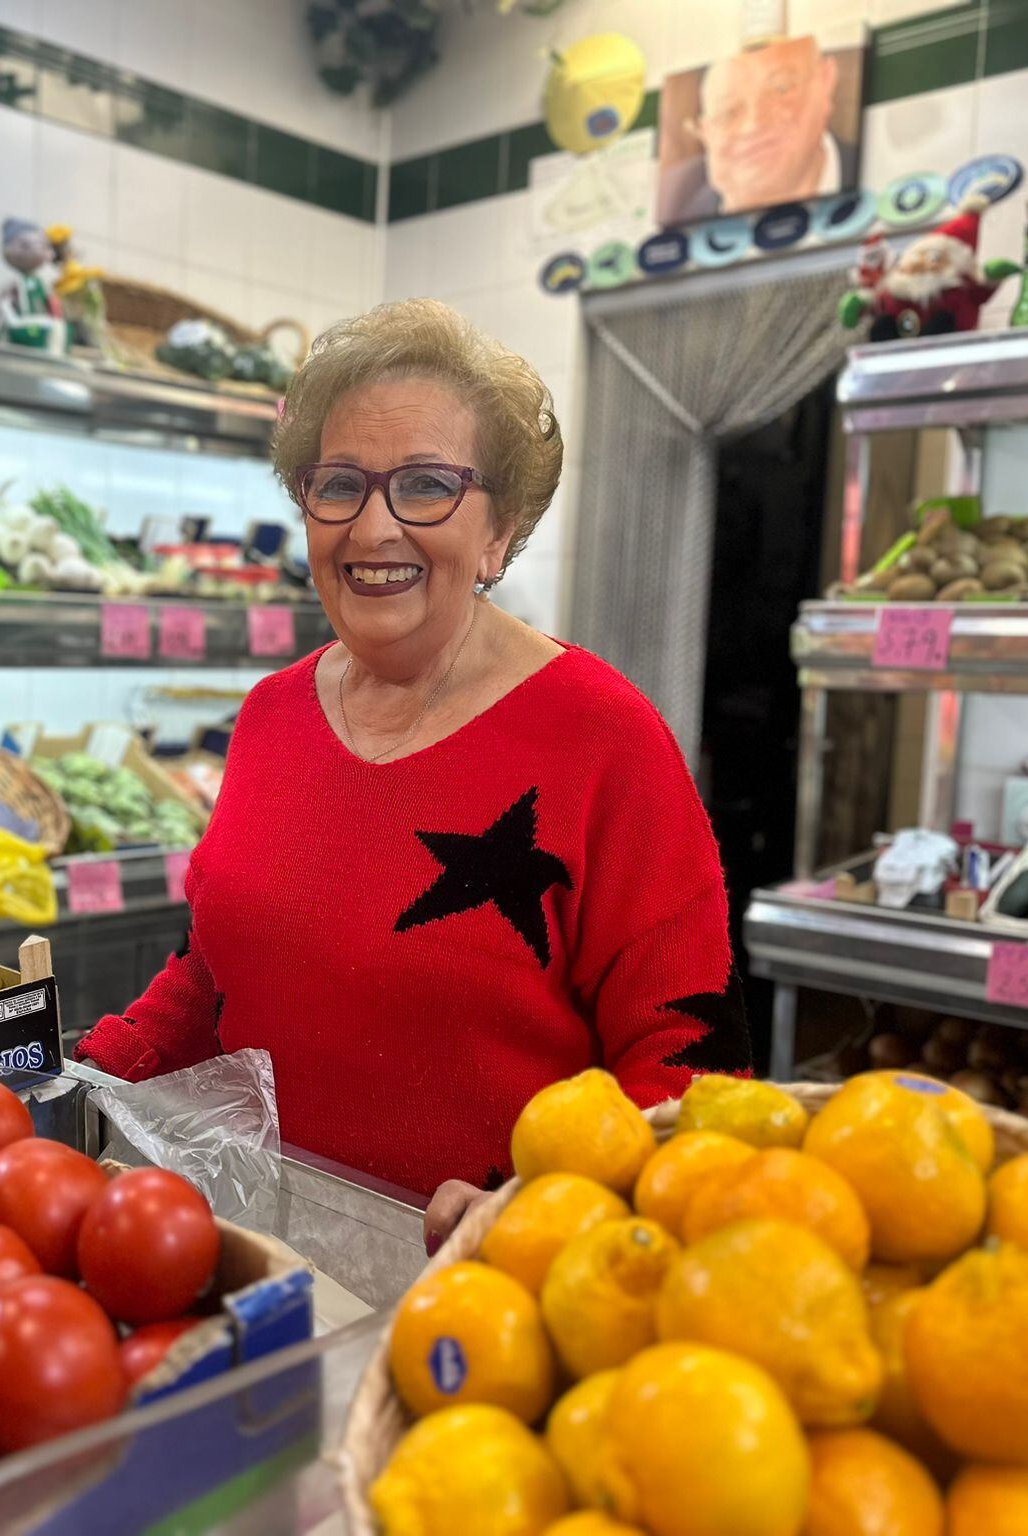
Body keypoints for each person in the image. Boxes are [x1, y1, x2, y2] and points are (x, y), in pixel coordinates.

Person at [76, 300, 750, 1245]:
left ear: (498, 531)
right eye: (339, 484)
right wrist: (83, 1078)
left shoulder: (605, 738)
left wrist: (558, 1209)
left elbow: (690, 1061)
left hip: (496, 1291)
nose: (374, 527)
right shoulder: (271, 716)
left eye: (426, 485)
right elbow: (216, 969)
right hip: (256, 1256)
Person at [660, 36, 848, 223]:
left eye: (781, 89)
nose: (754, 124)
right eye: (728, 113)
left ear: (826, 79)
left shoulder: (870, 170)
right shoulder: (675, 199)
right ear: (704, 132)